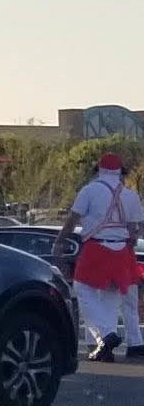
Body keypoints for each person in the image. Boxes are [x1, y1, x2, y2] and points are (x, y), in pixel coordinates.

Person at [67, 152, 142, 362]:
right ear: (121, 172)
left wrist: (59, 242)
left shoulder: (89, 191)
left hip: (96, 248)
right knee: (113, 297)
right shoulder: (131, 195)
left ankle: (105, 335)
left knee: (82, 289)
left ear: (98, 169)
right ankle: (112, 344)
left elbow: (73, 219)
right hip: (124, 252)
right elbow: (136, 228)